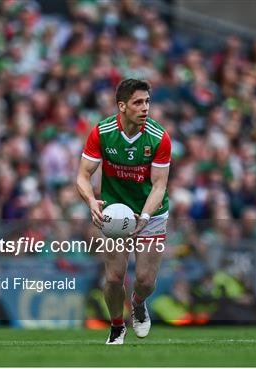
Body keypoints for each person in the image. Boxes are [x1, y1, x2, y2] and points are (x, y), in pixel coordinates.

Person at [76, 79, 171, 344]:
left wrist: (145, 217)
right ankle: (117, 326)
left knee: (145, 280)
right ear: (122, 106)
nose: (145, 108)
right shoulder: (102, 133)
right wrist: (92, 202)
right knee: (115, 276)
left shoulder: (159, 137)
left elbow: (159, 185)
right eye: (138, 102)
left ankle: (139, 303)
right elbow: (83, 176)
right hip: (116, 212)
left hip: (151, 213)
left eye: (147, 102)